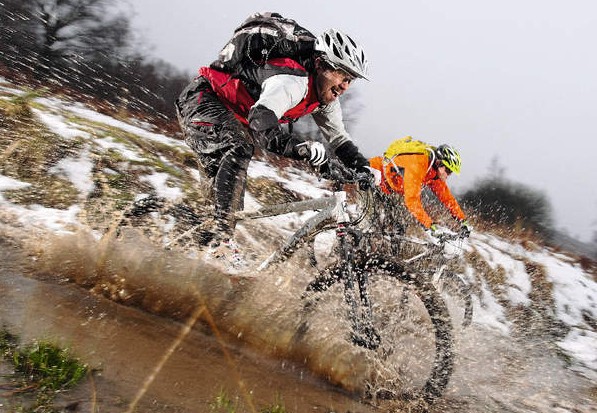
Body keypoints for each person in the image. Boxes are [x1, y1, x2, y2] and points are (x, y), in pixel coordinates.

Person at [175, 22, 371, 265]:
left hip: (230, 120)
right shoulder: (292, 81)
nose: (345, 86)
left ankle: (183, 245)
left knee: (225, 209)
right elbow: (262, 127)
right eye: (342, 74)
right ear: (320, 65)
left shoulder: (325, 99)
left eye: (350, 79)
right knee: (240, 150)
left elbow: (340, 140)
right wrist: (303, 148)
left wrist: (364, 168)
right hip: (202, 101)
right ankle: (221, 244)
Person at [369, 140, 472, 242]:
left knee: (396, 230)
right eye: (448, 170)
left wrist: (463, 221)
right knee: (370, 225)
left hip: (386, 189)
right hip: (372, 176)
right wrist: (430, 225)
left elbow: (447, 199)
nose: (448, 175)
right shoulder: (418, 164)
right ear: (439, 163)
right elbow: (412, 201)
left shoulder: (433, 174)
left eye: (451, 172)